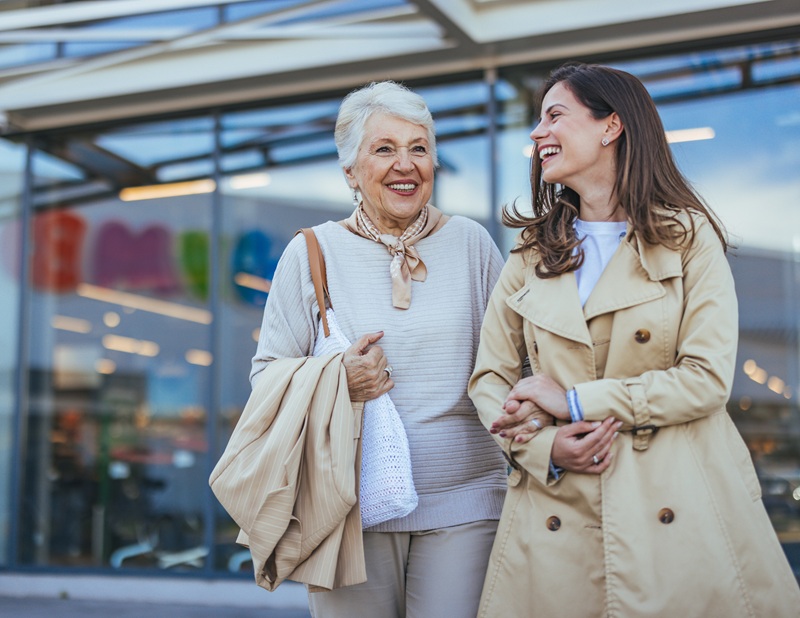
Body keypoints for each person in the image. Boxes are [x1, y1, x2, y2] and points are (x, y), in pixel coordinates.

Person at [468, 63, 800, 617]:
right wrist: (544, 447)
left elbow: (707, 380)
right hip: (557, 514)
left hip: (678, 509)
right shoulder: (528, 257)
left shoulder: (689, 240)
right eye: (536, 119)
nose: (536, 132)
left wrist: (574, 402)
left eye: (555, 115)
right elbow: (489, 380)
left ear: (611, 125)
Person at [251, 81, 507, 617]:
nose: (405, 164)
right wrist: (336, 377)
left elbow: (513, 361)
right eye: (384, 149)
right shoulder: (311, 252)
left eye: (419, 148)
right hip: (347, 507)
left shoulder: (472, 244)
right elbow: (267, 376)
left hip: (466, 501)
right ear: (350, 171)